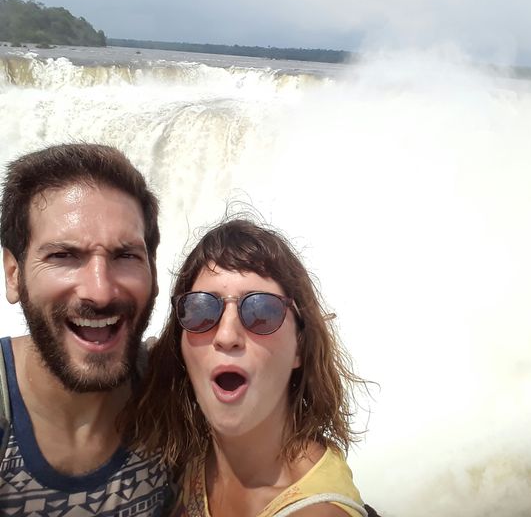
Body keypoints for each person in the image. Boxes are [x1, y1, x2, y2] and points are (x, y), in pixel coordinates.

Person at [124, 218, 370, 516]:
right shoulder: (189, 446)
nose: (226, 336)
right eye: (201, 310)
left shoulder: (317, 510)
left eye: (261, 311)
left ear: (300, 348)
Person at [0, 143, 175, 515]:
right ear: (13, 274)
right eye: (64, 256)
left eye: (126, 255)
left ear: (154, 272)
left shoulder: (174, 396)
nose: (100, 291)